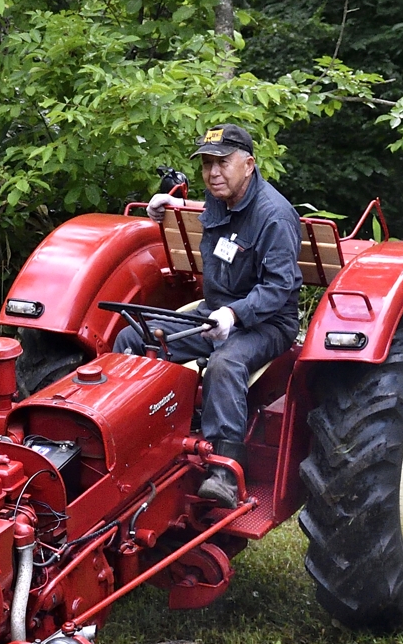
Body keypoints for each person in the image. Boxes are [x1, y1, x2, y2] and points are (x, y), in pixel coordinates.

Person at [120, 123, 302, 504]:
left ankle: (225, 471)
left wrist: (234, 315)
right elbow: (217, 223)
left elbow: (279, 288)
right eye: (206, 163)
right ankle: (135, 438)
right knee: (133, 336)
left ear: (249, 164)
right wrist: (172, 207)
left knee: (225, 364)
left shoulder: (275, 216)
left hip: (266, 323)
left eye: (222, 163)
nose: (212, 172)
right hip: (211, 313)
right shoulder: (221, 198)